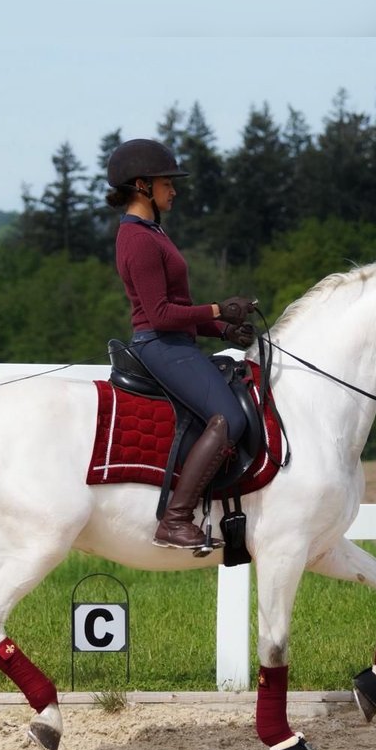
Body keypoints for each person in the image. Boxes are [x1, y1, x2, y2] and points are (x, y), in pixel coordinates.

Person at [105, 138, 256, 550]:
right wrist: (218, 309)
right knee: (227, 419)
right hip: (161, 344)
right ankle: (175, 519)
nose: (174, 190)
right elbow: (160, 315)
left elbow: (180, 310)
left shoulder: (153, 233)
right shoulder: (137, 239)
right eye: (166, 183)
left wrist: (224, 329)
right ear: (141, 185)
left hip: (177, 342)